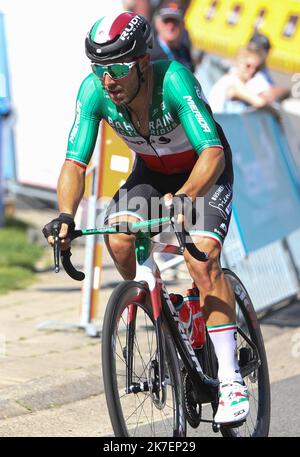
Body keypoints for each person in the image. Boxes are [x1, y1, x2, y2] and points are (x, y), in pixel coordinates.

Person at [42, 11, 249, 424]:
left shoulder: (174, 80)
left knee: (201, 257)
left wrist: (186, 199)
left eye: (116, 68)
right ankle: (168, 309)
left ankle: (230, 378)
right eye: (98, 69)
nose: (107, 80)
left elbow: (211, 152)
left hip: (202, 171)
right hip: (152, 173)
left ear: (140, 61)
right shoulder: (95, 92)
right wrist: (66, 214)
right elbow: (74, 164)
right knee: (118, 238)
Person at [208, 45, 270, 113]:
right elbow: (260, 103)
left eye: (257, 69)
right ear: (238, 62)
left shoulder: (238, 82)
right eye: (248, 66)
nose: (253, 71)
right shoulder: (232, 81)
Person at [150, 2, 194, 71]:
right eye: (166, 21)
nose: (171, 26)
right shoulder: (150, 55)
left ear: (182, 25)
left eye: (175, 21)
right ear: (157, 24)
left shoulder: (184, 51)